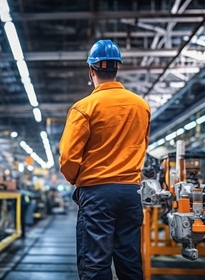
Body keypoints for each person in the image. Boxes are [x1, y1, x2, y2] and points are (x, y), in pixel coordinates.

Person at [59, 39, 151, 280]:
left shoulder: (84, 107)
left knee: (96, 262)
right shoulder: (141, 106)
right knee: (130, 261)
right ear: (116, 68)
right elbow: (142, 145)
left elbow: (68, 157)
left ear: (91, 70)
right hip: (131, 194)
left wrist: (75, 179)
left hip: (97, 193)